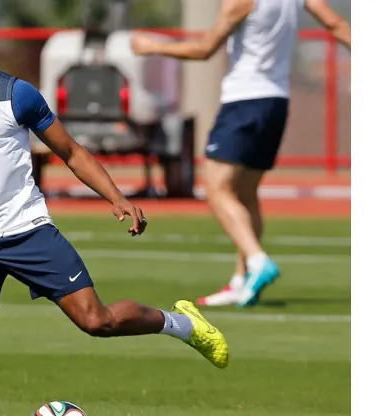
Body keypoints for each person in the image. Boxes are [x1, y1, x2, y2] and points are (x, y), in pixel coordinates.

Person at [0, 7, 229, 416]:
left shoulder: (18, 94)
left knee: (96, 321)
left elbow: (70, 151)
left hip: (28, 230)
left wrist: (116, 196)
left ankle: (182, 324)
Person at [131, 0, 351, 308]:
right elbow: (336, 25)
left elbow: (205, 49)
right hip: (277, 102)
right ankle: (242, 280)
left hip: (244, 101)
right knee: (246, 193)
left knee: (216, 189)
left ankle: (258, 261)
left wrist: (152, 46)